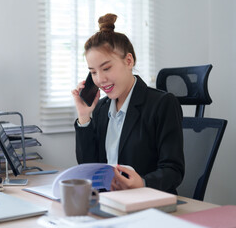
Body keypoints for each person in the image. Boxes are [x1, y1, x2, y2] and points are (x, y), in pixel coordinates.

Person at [71, 13, 184, 194]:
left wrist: (143, 183)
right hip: (109, 201)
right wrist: (84, 116)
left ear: (129, 61)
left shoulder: (162, 104)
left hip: (147, 203)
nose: (100, 79)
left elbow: (174, 170)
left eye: (106, 68)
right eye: (93, 72)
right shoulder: (101, 108)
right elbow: (88, 167)